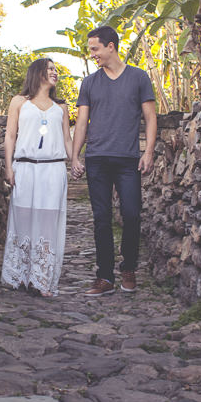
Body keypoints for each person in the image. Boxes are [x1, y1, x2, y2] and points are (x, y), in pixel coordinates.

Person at [71, 26, 157, 296]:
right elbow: (82, 122)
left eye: (95, 49)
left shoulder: (138, 77)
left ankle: (128, 268)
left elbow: (151, 118)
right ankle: (105, 276)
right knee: (101, 218)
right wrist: (75, 155)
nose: (92, 54)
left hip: (127, 158)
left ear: (111, 46)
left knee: (131, 214)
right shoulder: (89, 83)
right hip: (96, 158)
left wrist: (149, 151)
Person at [1, 58, 73, 297]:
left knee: (47, 223)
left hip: (52, 171)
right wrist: (9, 167)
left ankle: (41, 280)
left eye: (55, 69)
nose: (54, 72)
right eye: (50, 69)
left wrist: (76, 160)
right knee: (22, 221)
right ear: (37, 73)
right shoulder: (19, 102)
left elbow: (67, 139)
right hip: (25, 168)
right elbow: (10, 135)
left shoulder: (60, 107)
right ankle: (18, 275)